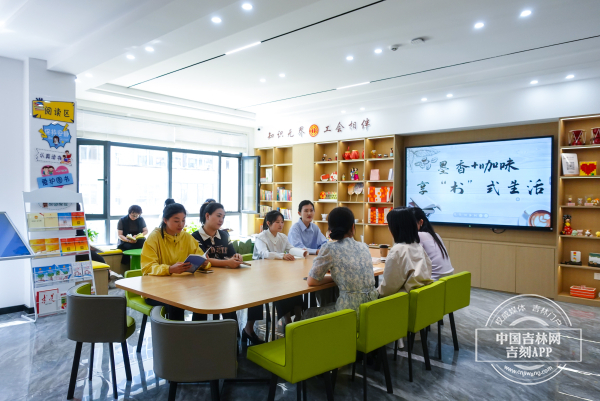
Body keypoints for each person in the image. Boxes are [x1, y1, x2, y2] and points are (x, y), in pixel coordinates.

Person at [191, 200, 265, 344]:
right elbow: (203, 260)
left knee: (256, 291)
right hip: (202, 284)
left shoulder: (224, 235)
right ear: (207, 216)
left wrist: (237, 257)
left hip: (225, 281)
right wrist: (227, 263)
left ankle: (244, 332)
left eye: (223, 217)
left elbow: (231, 255)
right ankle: (199, 341)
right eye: (218, 216)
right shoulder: (195, 237)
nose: (221, 220)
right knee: (210, 306)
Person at [306, 207, 379, 327]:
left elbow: (311, 281)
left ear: (330, 229)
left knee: (308, 313)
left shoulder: (330, 248)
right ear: (353, 227)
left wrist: (334, 277)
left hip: (349, 313)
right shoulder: (364, 246)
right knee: (330, 302)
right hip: (371, 311)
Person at [141, 202, 210, 320]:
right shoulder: (154, 237)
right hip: (155, 289)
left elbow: (199, 255)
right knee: (176, 301)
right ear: (165, 220)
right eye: (176, 221)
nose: (181, 224)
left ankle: (197, 329)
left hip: (179, 286)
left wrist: (204, 263)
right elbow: (147, 267)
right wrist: (169, 269)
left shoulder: (186, 237)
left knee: (202, 295)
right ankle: (177, 332)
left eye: (183, 220)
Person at [253, 210, 307, 325]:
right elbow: (264, 254)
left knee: (294, 285)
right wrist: (282, 256)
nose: (281, 224)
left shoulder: (282, 237)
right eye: (277, 222)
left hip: (279, 273)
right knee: (281, 288)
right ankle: (287, 320)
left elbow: (290, 248)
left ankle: (299, 316)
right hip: (263, 276)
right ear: (268, 223)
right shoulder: (260, 237)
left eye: (282, 222)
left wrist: (301, 252)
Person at [377, 207, 433, 298]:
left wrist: (376, 293)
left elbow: (388, 288)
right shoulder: (418, 247)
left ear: (395, 228)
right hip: (419, 298)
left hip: (402, 300)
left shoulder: (397, 251)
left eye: (389, 225)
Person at [411, 207, 454, 280]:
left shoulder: (419, 235)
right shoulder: (436, 235)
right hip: (449, 278)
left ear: (421, 222)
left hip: (434, 280)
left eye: (410, 224)